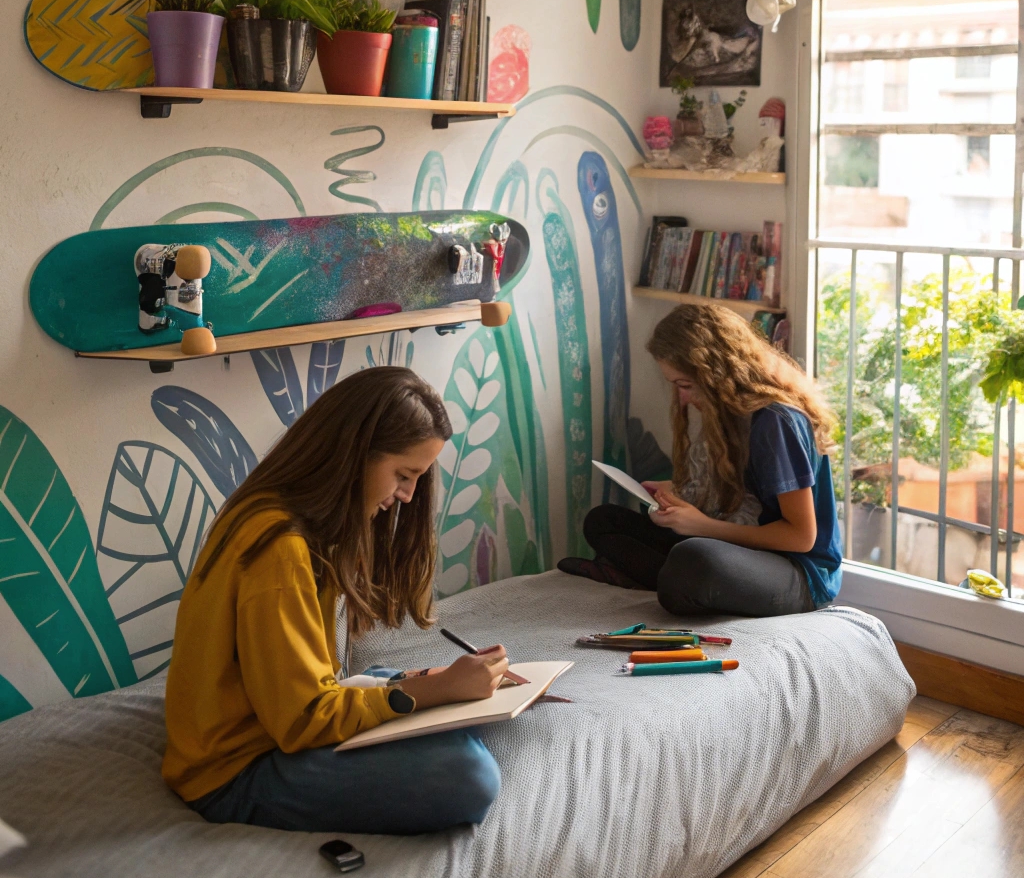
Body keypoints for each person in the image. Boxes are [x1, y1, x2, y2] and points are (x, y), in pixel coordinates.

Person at [163, 366, 506, 835]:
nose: (406, 495)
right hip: (238, 771)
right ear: (354, 453)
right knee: (471, 776)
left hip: (279, 726)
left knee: (438, 700)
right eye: (404, 475)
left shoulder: (285, 516)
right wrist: (437, 691)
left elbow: (318, 683)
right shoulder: (278, 548)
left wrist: (440, 681)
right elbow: (304, 721)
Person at [558, 303, 842, 617]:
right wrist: (677, 493)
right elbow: (741, 492)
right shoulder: (729, 412)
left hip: (797, 573)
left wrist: (703, 526)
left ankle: (659, 578)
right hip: (742, 552)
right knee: (604, 521)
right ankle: (667, 578)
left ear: (717, 374)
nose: (682, 398)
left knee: (694, 557)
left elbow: (801, 537)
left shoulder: (776, 422)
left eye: (685, 385)